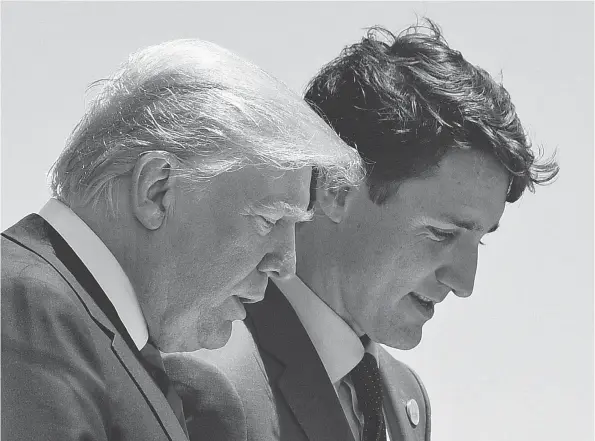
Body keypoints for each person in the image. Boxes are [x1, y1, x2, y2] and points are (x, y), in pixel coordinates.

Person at [166, 21, 559, 441]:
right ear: (336, 189)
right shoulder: (208, 381)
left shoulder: (408, 401)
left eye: (479, 239)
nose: (465, 283)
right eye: (442, 233)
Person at [1, 39, 362, 441]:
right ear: (157, 191)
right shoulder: (27, 308)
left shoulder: (89, 331)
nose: (286, 263)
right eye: (270, 218)